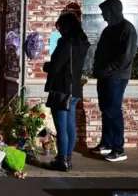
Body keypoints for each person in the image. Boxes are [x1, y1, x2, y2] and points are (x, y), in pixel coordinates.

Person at [90, 0, 137, 162]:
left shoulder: (127, 29)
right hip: (104, 76)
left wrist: (106, 68)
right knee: (106, 110)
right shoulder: (108, 30)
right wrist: (97, 68)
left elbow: (125, 57)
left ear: (112, 11)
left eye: (104, 12)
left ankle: (118, 149)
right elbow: (99, 51)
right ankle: (107, 143)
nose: (103, 16)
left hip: (116, 77)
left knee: (114, 111)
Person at [43, 12, 90, 172]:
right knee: (70, 125)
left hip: (61, 88)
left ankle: (61, 159)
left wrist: (46, 66)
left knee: (61, 127)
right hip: (75, 88)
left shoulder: (66, 43)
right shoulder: (82, 43)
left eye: (61, 27)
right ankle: (68, 158)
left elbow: (56, 66)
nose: (60, 30)